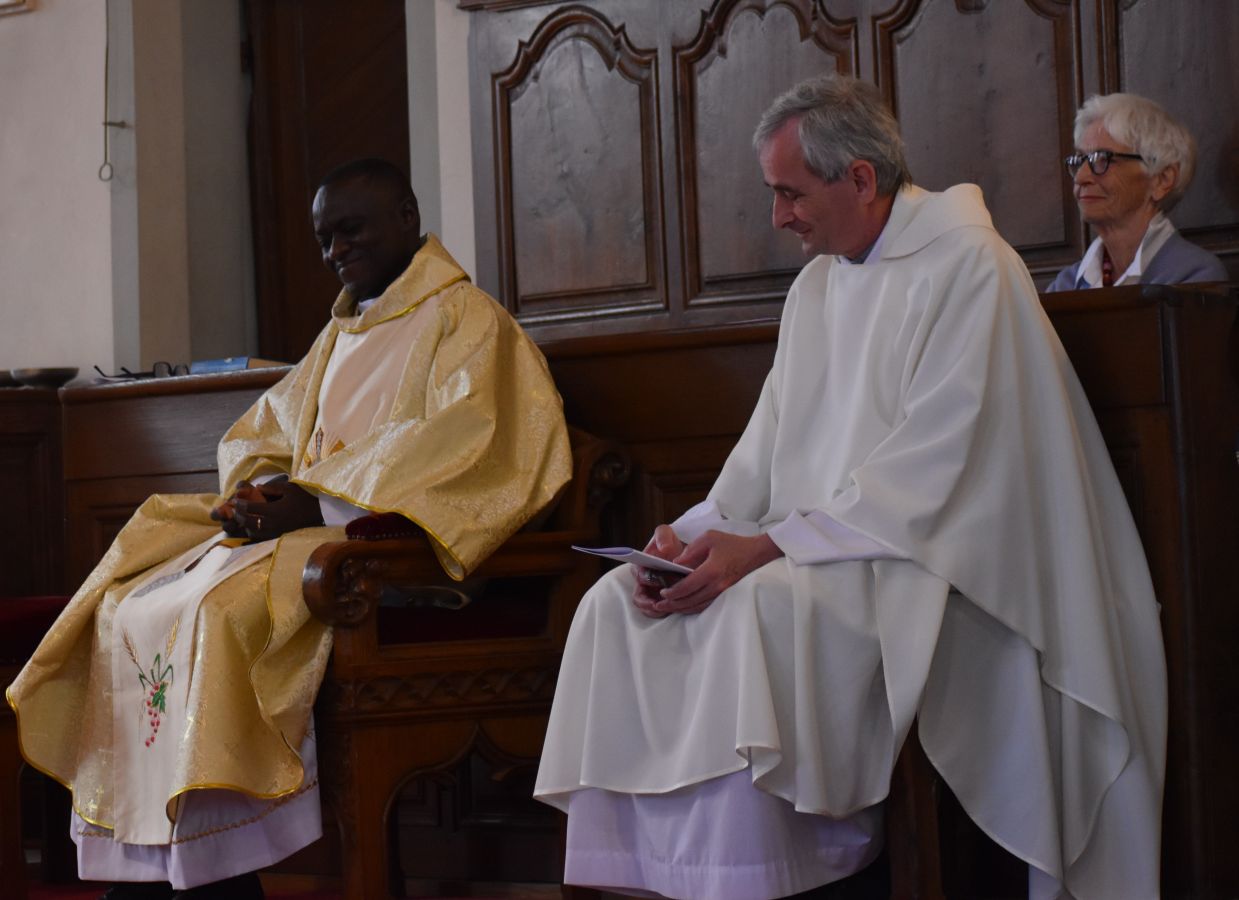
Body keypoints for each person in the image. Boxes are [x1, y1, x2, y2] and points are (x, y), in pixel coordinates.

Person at [535, 75, 1167, 900]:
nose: (778, 217)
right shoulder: (819, 285)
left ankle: (767, 873)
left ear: (860, 179)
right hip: (823, 548)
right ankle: (669, 878)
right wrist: (690, 535)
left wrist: (764, 548)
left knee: (750, 614)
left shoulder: (970, 267)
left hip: (932, 566)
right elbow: (763, 452)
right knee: (614, 606)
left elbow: (939, 468)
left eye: (790, 193)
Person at [7, 158, 572, 900]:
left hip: (392, 561)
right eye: (324, 238)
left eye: (351, 229)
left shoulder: (467, 320)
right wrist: (261, 492)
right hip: (315, 542)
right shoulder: (342, 331)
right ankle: (156, 868)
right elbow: (267, 431)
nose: (336, 250)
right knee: (129, 604)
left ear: (407, 216)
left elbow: (472, 446)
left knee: (212, 613)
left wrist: (321, 504)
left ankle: (215, 872)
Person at [1047, 92, 1226, 291]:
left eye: (1103, 159)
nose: (1081, 177)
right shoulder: (1065, 285)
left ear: (1162, 179)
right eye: (1080, 160)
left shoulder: (1194, 276)